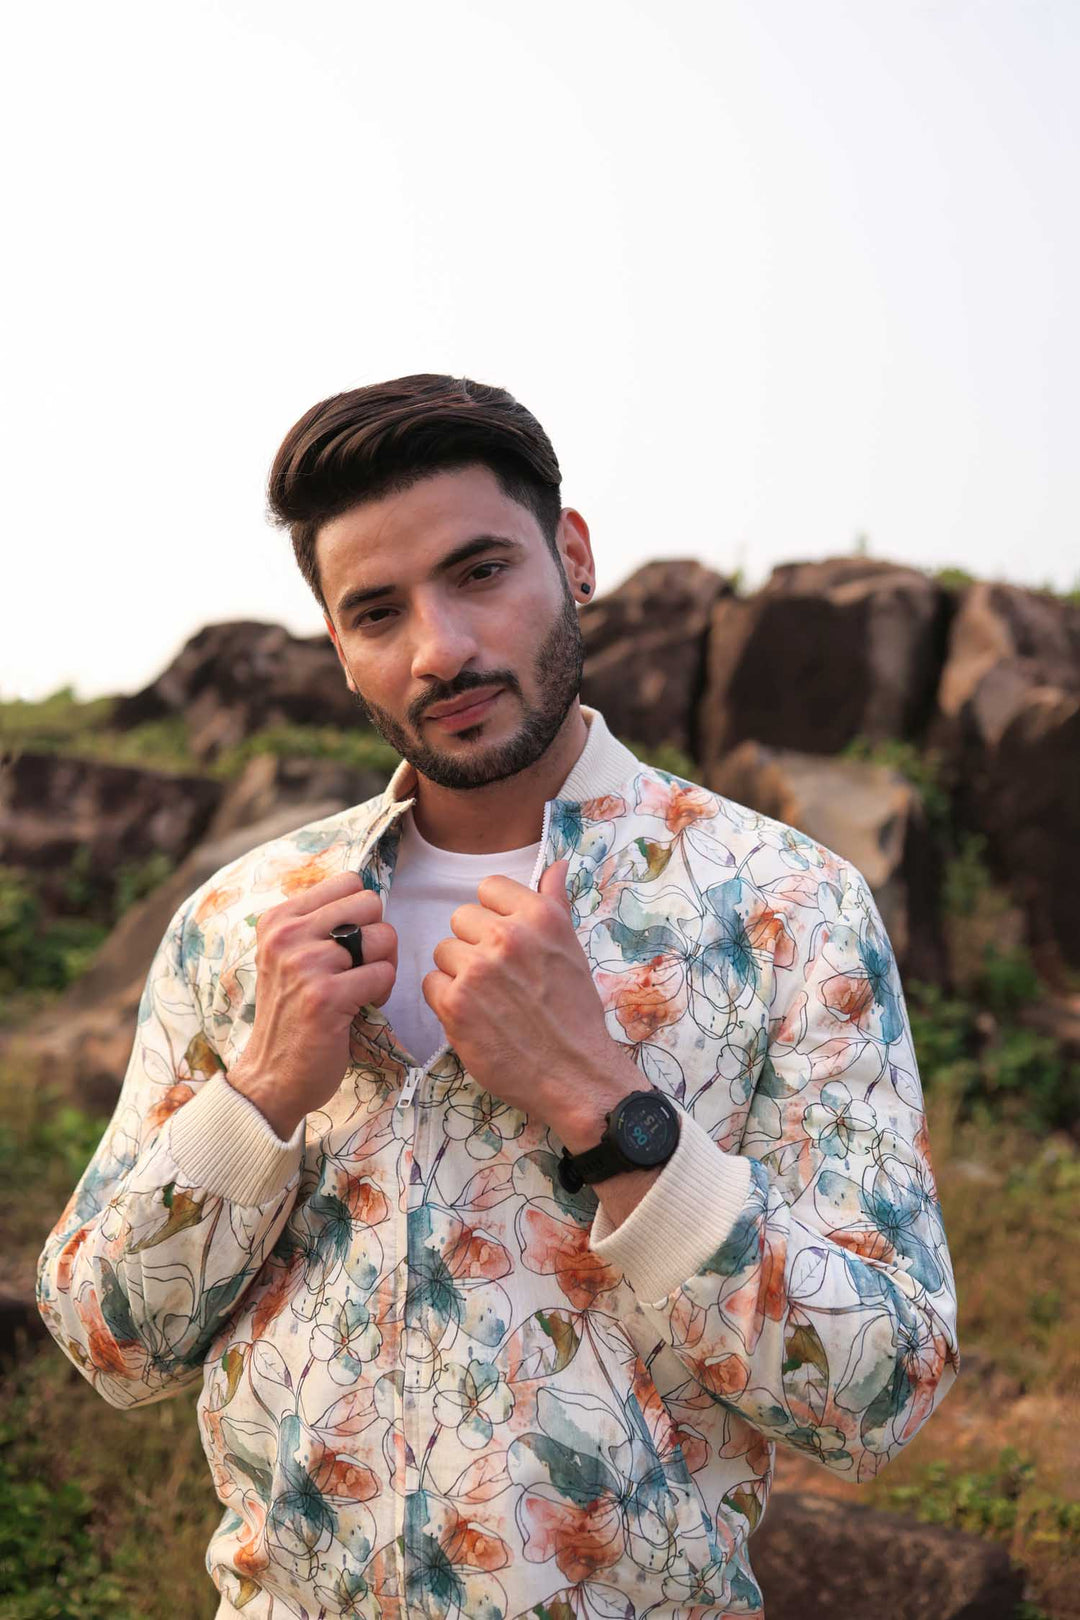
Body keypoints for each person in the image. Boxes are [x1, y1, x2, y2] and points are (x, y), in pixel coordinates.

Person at [37, 374, 960, 1619]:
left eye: (480, 573)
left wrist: (607, 1106)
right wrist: (254, 1103)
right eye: (377, 611)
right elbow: (110, 1345)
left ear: (572, 558)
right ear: (339, 649)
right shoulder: (244, 919)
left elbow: (881, 1395)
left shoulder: (783, 906)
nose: (441, 648)